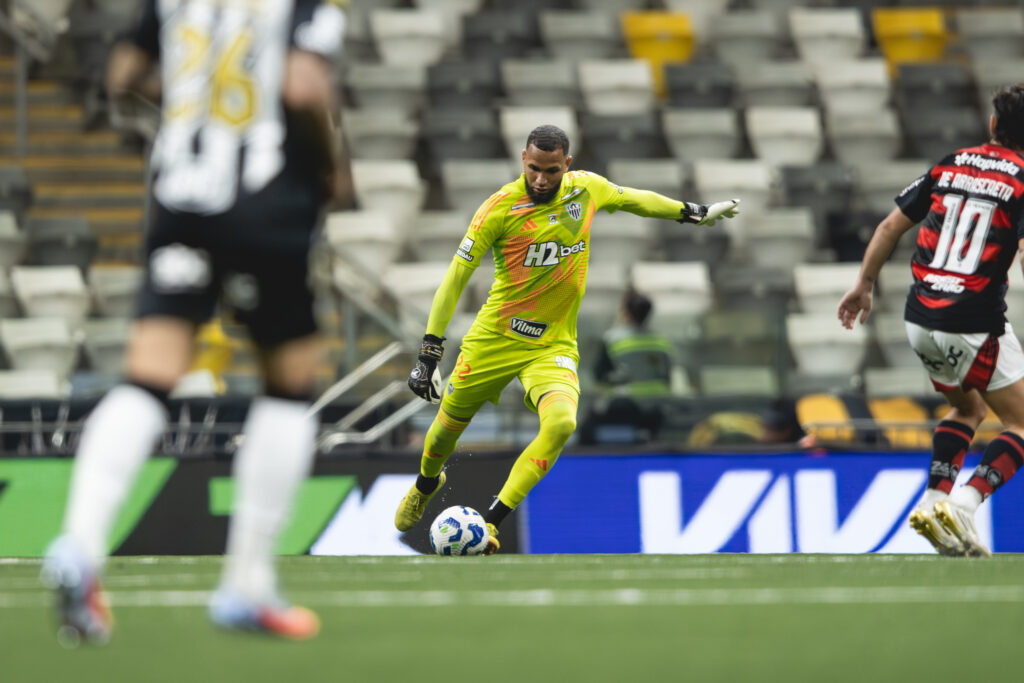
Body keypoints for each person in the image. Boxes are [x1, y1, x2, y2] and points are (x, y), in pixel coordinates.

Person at [40, 0, 346, 644]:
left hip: (179, 196)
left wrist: (191, 98)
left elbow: (123, 75)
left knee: (147, 377)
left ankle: (79, 544)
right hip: (265, 199)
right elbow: (302, 85)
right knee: (289, 383)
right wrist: (330, 166)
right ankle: (247, 585)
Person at [394, 124, 740, 552]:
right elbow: (455, 278)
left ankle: (491, 522)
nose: (541, 179)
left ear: (567, 165)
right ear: (523, 160)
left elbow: (636, 200)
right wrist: (430, 352)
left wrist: (694, 212)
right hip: (494, 339)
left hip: (552, 345)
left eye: (552, 171)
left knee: (561, 423)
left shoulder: (586, 190)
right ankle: (426, 484)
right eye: (534, 169)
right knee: (442, 436)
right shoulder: (498, 209)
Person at [838, 84, 1024, 558]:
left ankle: (932, 501)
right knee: (1022, 423)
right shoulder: (1023, 183)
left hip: (920, 316)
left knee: (967, 410)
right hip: (974, 319)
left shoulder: (949, 163)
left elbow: (889, 226)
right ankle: (964, 503)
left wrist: (864, 284)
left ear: (993, 125)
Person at [580, 288, 674, 444]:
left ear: (626, 312)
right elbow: (667, 376)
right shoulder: (660, 341)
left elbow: (599, 375)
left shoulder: (613, 339)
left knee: (586, 429)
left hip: (625, 406)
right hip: (657, 408)